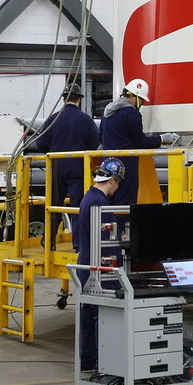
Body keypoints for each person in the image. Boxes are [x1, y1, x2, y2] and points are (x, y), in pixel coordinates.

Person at [75, 157, 126, 372]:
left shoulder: (88, 197)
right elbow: (105, 242)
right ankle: (104, 366)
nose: (117, 187)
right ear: (112, 180)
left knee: (88, 314)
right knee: (103, 316)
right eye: (118, 183)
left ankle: (88, 363)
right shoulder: (100, 203)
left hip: (86, 264)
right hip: (100, 267)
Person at [35, 81, 100, 247]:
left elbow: (40, 144)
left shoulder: (53, 118)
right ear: (79, 99)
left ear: (64, 98)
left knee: (54, 205)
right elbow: (94, 144)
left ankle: (48, 239)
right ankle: (78, 244)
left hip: (57, 167)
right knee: (78, 206)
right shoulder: (85, 119)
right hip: (79, 168)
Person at [99, 77, 179, 207]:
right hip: (126, 166)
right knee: (125, 204)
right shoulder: (131, 113)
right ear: (133, 96)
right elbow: (140, 142)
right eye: (141, 100)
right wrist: (162, 139)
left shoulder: (108, 111)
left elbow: (100, 137)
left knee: (108, 202)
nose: (141, 104)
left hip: (107, 163)